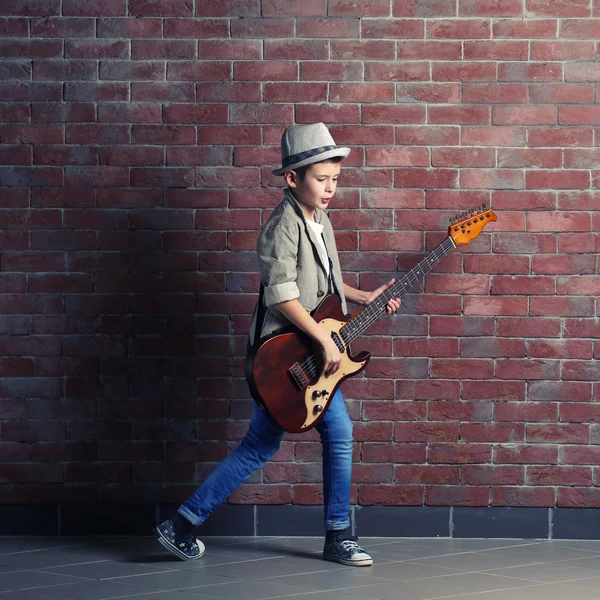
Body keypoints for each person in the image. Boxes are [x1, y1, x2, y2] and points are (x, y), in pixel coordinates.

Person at [155, 122, 401, 567]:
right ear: (292, 179)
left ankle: (334, 534)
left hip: (312, 351)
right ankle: (184, 524)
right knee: (266, 446)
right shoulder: (281, 227)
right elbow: (282, 294)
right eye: (321, 179)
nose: (330, 189)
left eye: (335, 180)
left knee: (325, 436)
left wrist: (365, 297)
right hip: (285, 357)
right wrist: (323, 341)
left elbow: (323, 282)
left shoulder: (319, 220)